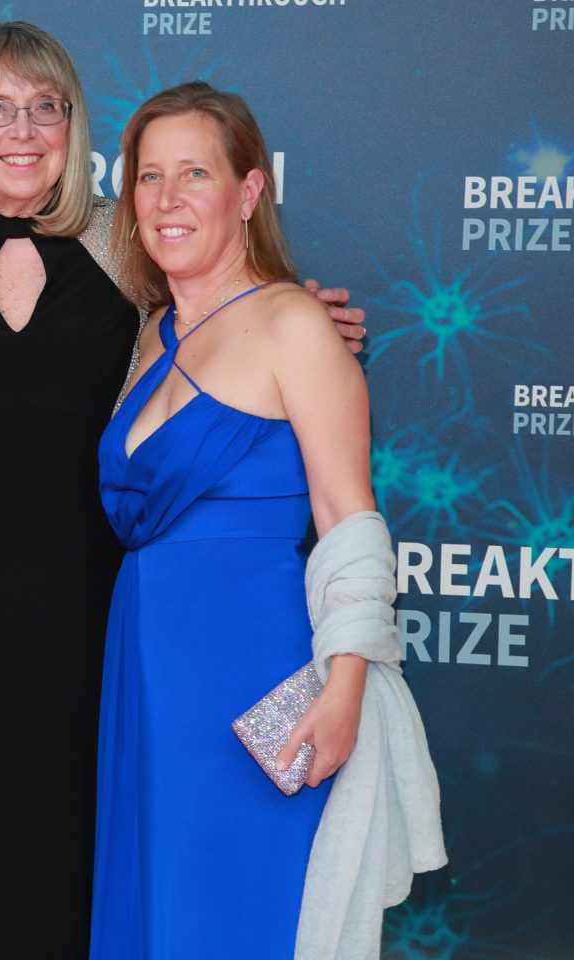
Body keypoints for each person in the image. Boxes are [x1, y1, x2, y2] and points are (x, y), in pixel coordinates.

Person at [0, 22, 367, 960]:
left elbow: (219, 311)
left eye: (45, 106)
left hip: (96, 598)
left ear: (74, 125)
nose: (21, 129)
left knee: (86, 823)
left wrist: (301, 307)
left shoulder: (123, 238)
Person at [90, 81, 444, 959]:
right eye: (148, 177)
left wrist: (347, 691)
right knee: (155, 909)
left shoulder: (294, 324)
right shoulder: (150, 335)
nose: (167, 200)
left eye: (195, 174)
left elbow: (350, 521)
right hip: (147, 671)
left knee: (237, 911)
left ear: (248, 193)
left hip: (250, 677)